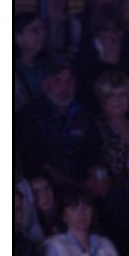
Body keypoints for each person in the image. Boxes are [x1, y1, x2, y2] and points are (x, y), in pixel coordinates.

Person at [16, 55, 95, 187]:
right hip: (43, 187)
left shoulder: (84, 114)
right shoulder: (30, 115)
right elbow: (32, 157)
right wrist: (67, 181)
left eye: (69, 80)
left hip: (82, 186)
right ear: (46, 83)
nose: (64, 86)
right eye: (57, 80)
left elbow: (92, 153)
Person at [92, 70, 129, 181]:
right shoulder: (94, 130)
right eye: (111, 95)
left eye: (123, 94)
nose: (118, 100)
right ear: (101, 100)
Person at [14, 12, 48, 112]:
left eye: (43, 28)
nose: (42, 34)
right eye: (34, 30)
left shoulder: (50, 64)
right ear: (18, 37)